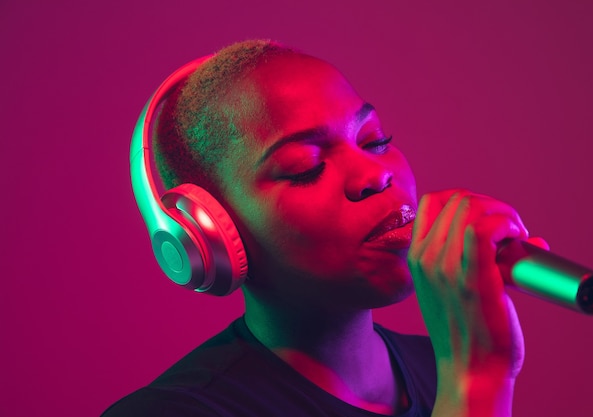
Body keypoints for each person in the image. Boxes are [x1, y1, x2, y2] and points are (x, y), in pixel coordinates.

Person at [103, 39, 545, 417]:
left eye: (375, 141)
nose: (374, 174)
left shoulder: (438, 366)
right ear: (208, 234)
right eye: (305, 168)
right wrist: (475, 384)